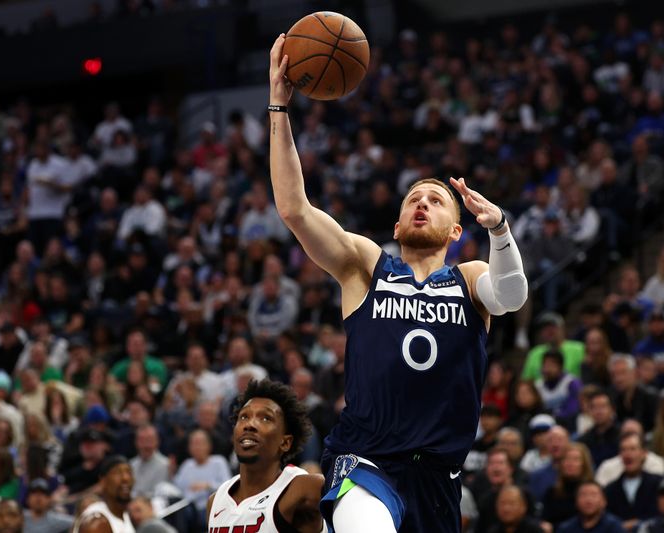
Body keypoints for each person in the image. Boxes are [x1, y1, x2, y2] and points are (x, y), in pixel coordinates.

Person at [268, 34, 528, 533]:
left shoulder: (470, 278)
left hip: (438, 476)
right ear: (396, 225)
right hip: (364, 461)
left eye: (435, 199)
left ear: (456, 230)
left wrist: (498, 228)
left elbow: (512, 296)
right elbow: (294, 209)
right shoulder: (367, 266)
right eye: (413, 198)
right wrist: (279, 105)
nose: (421, 203)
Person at [206, 379, 325, 533]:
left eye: (265, 418)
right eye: (244, 417)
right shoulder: (215, 501)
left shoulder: (304, 488)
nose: (250, 424)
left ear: (285, 442)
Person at [603, 432, 663, 531]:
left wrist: (637, 524)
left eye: (633, 449)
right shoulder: (610, 490)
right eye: (624, 450)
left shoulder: (659, 484)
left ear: (644, 453)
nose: (628, 454)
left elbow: (663, 518)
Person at [77, 455, 135, 533]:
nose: (125, 478)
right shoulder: (97, 523)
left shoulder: (124, 515)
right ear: (103, 481)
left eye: (129, 472)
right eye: (117, 472)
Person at [556, 481, 626, 533]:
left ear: (604, 502)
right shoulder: (566, 529)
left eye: (594, 495)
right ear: (576, 502)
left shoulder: (614, 527)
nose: (588, 500)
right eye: (583, 495)